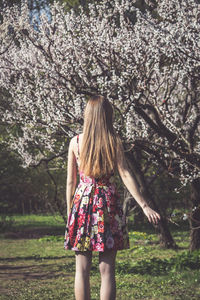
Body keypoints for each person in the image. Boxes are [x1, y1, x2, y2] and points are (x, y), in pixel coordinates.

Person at [64, 95, 160, 300]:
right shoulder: (113, 141)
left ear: (87, 116)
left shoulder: (75, 142)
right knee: (107, 270)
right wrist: (144, 205)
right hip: (107, 204)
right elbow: (125, 174)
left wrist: (70, 212)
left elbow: (71, 183)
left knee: (81, 268)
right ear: (108, 116)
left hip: (82, 203)